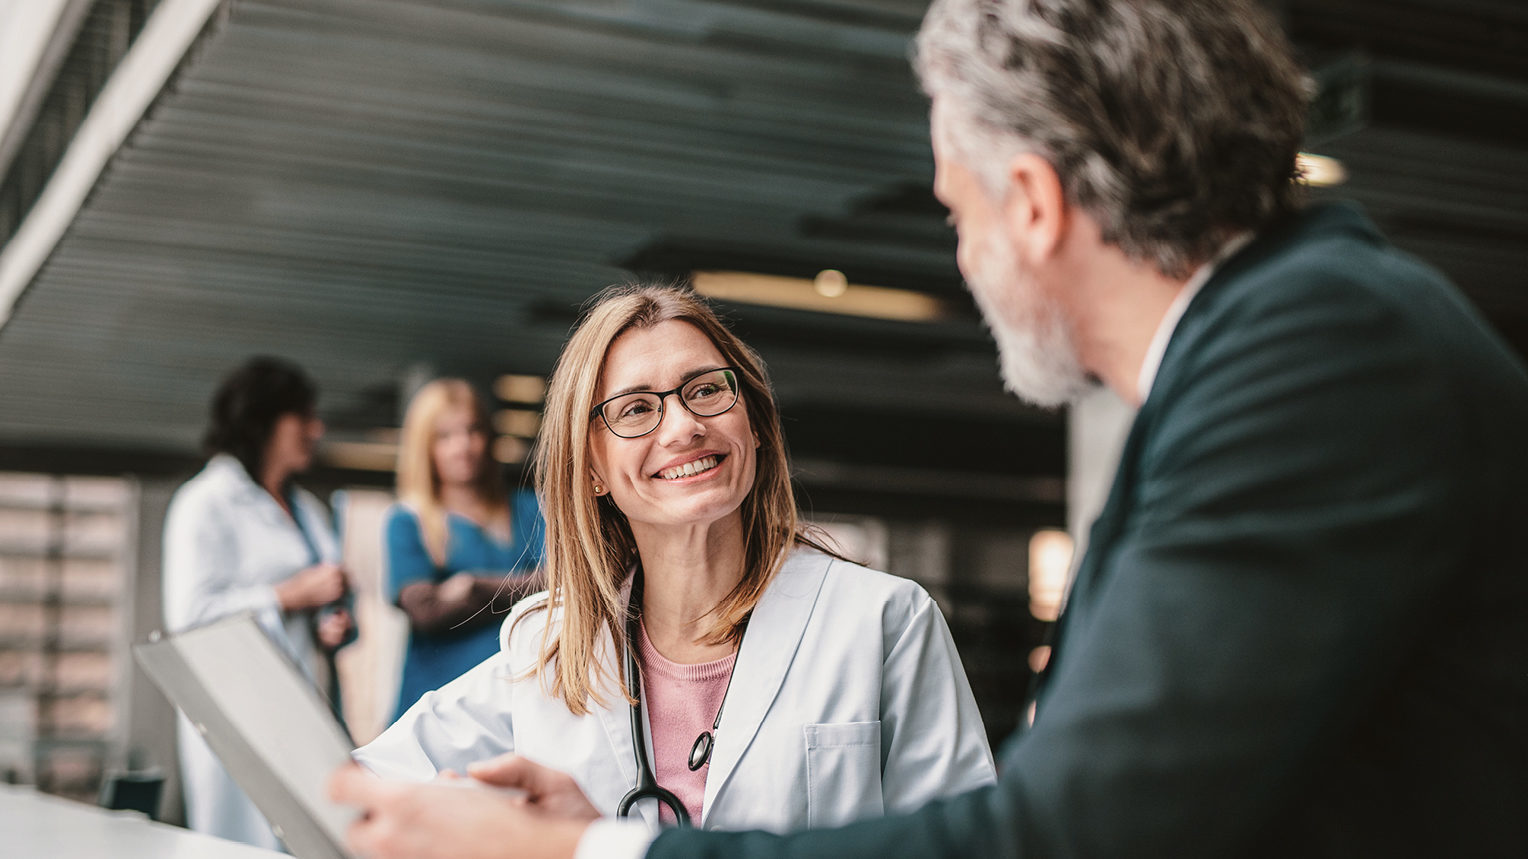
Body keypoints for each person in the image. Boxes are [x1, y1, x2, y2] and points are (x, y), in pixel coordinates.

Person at [330, 0, 1528, 856]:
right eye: (632, 410)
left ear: (1033, 203)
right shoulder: (1285, 341)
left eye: (956, 212)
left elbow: (1071, 829)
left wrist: (588, 855)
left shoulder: (1312, 355)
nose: (961, 258)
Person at [349, 284, 995, 833]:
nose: (682, 426)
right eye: (635, 408)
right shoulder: (546, 645)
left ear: (755, 425)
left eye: (707, 390)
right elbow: (355, 788)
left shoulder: (884, 621)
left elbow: (967, 846)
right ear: (593, 467)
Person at [164, 356, 355, 850]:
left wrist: (331, 623)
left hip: (304, 703)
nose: (317, 429)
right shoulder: (204, 503)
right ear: (264, 421)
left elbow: (326, 599)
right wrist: (289, 596)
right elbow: (189, 618)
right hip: (236, 707)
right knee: (239, 844)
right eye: (304, 417)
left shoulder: (308, 509)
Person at [386, 378, 547, 721]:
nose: (464, 446)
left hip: (521, 697)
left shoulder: (530, 508)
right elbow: (426, 611)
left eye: (473, 430)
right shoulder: (407, 521)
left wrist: (473, 588)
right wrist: (524, 588)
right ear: (424, 446)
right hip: (439, 703)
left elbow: (563, 584)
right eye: (445, 436)